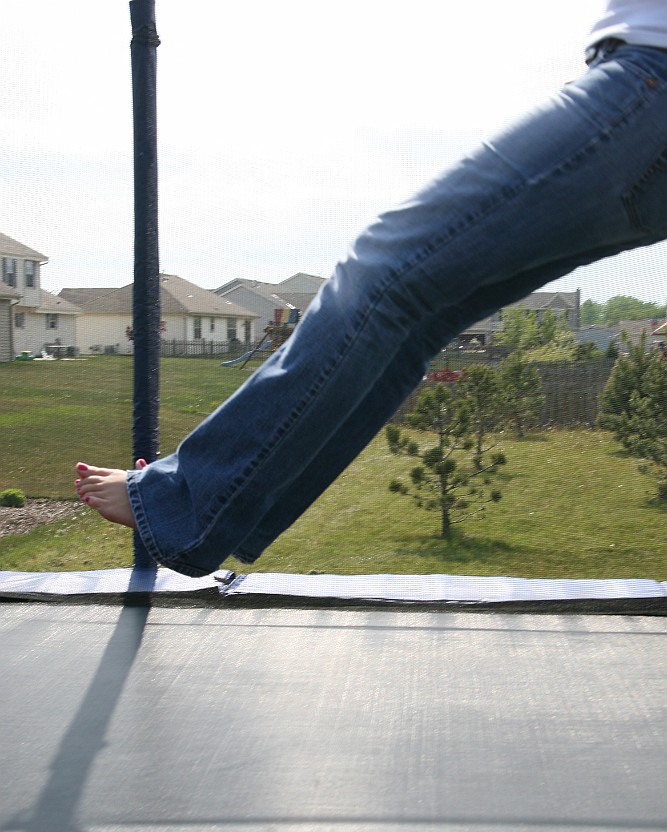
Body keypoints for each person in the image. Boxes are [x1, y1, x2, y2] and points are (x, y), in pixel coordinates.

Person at [76, 1, 667, 578]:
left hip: (647, 84)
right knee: (415, 316)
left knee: (381, 277)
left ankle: (184, 502)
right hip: (636, 94)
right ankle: (216, 511)